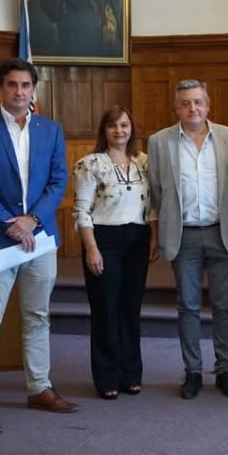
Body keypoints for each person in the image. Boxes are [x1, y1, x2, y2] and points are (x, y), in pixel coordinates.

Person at [0, 58, 76, 435]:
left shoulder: (50, 129)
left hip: (39, 240)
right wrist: (10, 224)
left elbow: (58, 181)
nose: (19, 92)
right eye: (12, 85)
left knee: (38, 317)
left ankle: (39, 387)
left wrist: (34, 221)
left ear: (34, 89)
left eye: (26, 85)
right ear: (0, 87)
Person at [148, 80, 228, 400]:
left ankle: (225, 370)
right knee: (187, 307)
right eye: (186, 103)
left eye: (198, 102)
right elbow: (156, 190)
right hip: (183, 236)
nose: (193, 108)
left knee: (223, 307)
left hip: (220, 232)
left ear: (208, 105)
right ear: (176, 108)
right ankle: (192, 372)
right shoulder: (160, 142)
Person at [73, 105, 156, 400]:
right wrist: (91, 249)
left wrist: (153, 237)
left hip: (136, 239)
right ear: (104, 131)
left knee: (130, 310)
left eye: (124, 125)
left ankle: (131, 374)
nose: (119, 131)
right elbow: (81, 211)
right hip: (103, 240)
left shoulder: (144, 161)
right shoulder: (90, 164)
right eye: (112, 126)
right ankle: (107, 377)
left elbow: (152, 204)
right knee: (106, 310)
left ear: (131, 128)